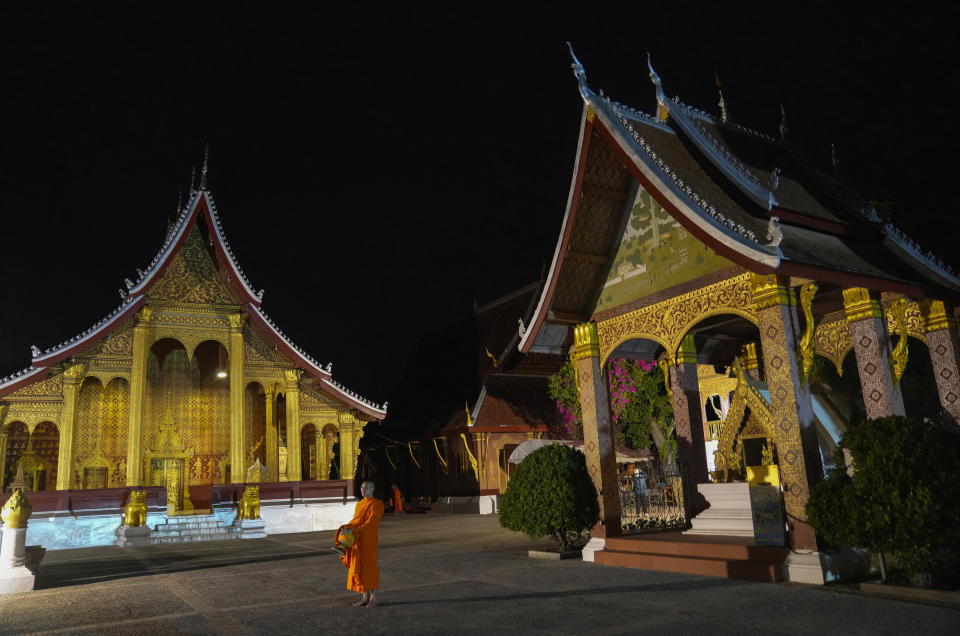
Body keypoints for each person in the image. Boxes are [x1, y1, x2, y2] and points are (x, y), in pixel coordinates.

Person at [337, 480, 384, 607]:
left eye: (367, 488)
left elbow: (370, 524)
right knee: (359, 566)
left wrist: (353, 530)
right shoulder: (359, 504)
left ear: (372, 489)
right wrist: (347, 527)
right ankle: (365, 596)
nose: (363, 490)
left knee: (369, 567)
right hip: (357, 539)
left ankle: (374, 597)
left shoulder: (377, 504)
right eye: (362, 488)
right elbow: (356, 520)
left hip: (368, 539)